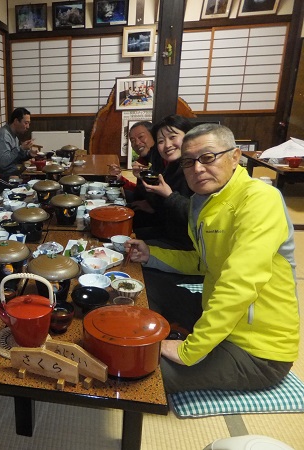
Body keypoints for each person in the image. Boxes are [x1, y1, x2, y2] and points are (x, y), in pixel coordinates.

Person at [127, 123, 299, 394]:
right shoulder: (203, 201)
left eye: (208, 157)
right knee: (144, 288)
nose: (197, 169)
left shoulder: (260, 199)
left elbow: (239, 283)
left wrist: (189, 350)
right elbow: (202, 262)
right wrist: (151, 255)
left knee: (140, 369)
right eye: (188, 162)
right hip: (215, 314)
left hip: (258, 350)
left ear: (235, 156)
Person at [132, 115, 194, 250]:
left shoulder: (197, 170)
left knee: (131, 247)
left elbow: (200, 217)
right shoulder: (173, 167)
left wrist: (169, 196)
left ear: (189, 136)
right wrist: (142, 179)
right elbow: (161, 205)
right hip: (170, 231)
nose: (167, 145)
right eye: (161, 141)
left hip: (188, 245)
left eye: (172, 137)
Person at [0, 107, 37, 186]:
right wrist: (21, 148)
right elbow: (4, 162)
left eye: (29, 123)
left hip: (9, 172)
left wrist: (29, 154)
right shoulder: (3, 135)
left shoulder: (14, 135)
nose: (28, 126)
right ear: (16, 121)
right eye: (26, 123)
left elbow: (15, 156)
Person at [108, 121, 155, 198]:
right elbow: (138, 192)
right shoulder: (142, 160)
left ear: (154, 136)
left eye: (141, 137)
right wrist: (119, 178)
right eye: (132, 141)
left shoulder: (163, 160)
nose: (137, 143)